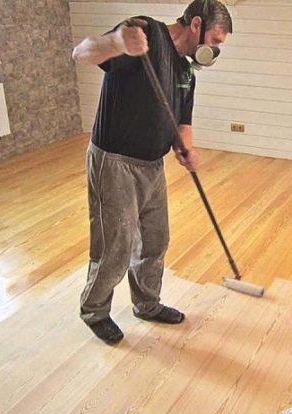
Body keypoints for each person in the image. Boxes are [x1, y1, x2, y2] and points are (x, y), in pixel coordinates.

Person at [71, 0, 233, 344]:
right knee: (116, 242)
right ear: (196, 25)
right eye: (215, 41)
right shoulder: (145, 34)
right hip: (114, 160)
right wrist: (116, 43)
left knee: (155, 240)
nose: (214, 50)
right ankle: (94, 310)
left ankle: (147, 303)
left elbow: (182, 120)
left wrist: (185, 147)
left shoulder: (187, 70)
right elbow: (81, 53)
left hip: (151, 164)